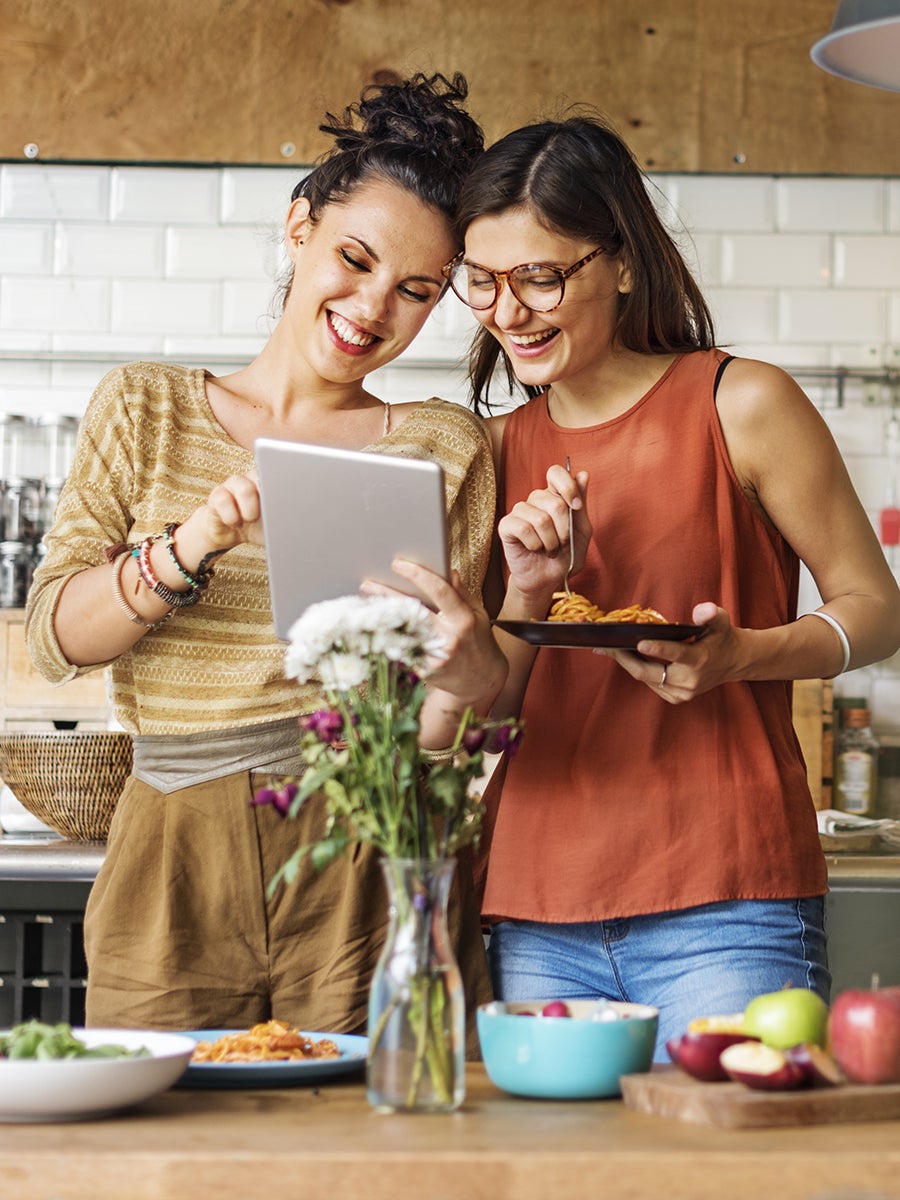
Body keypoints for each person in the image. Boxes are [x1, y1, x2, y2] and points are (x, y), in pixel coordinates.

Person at [25, 72, 507, 1047]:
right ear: (299, 229)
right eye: (355, 259)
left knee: (369, 1166)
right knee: (161, 1164)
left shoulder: (445, 443)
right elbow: (54, 643)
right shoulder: (145, 407)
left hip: (368, 837)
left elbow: (438, 719)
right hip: (173, 842)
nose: (373, 306)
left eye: (415, 291)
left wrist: (469, 665)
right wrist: (187, 548)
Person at [440, 112, 900, 1056]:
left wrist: (745, 657)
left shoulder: (743, 403)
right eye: (481, 282)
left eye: (539, 275)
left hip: (728, 899)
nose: (507, 311)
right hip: (536, 905)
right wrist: (526, 594)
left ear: (620, 261)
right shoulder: (491, 451)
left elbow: (878, 609)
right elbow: (488, 719)